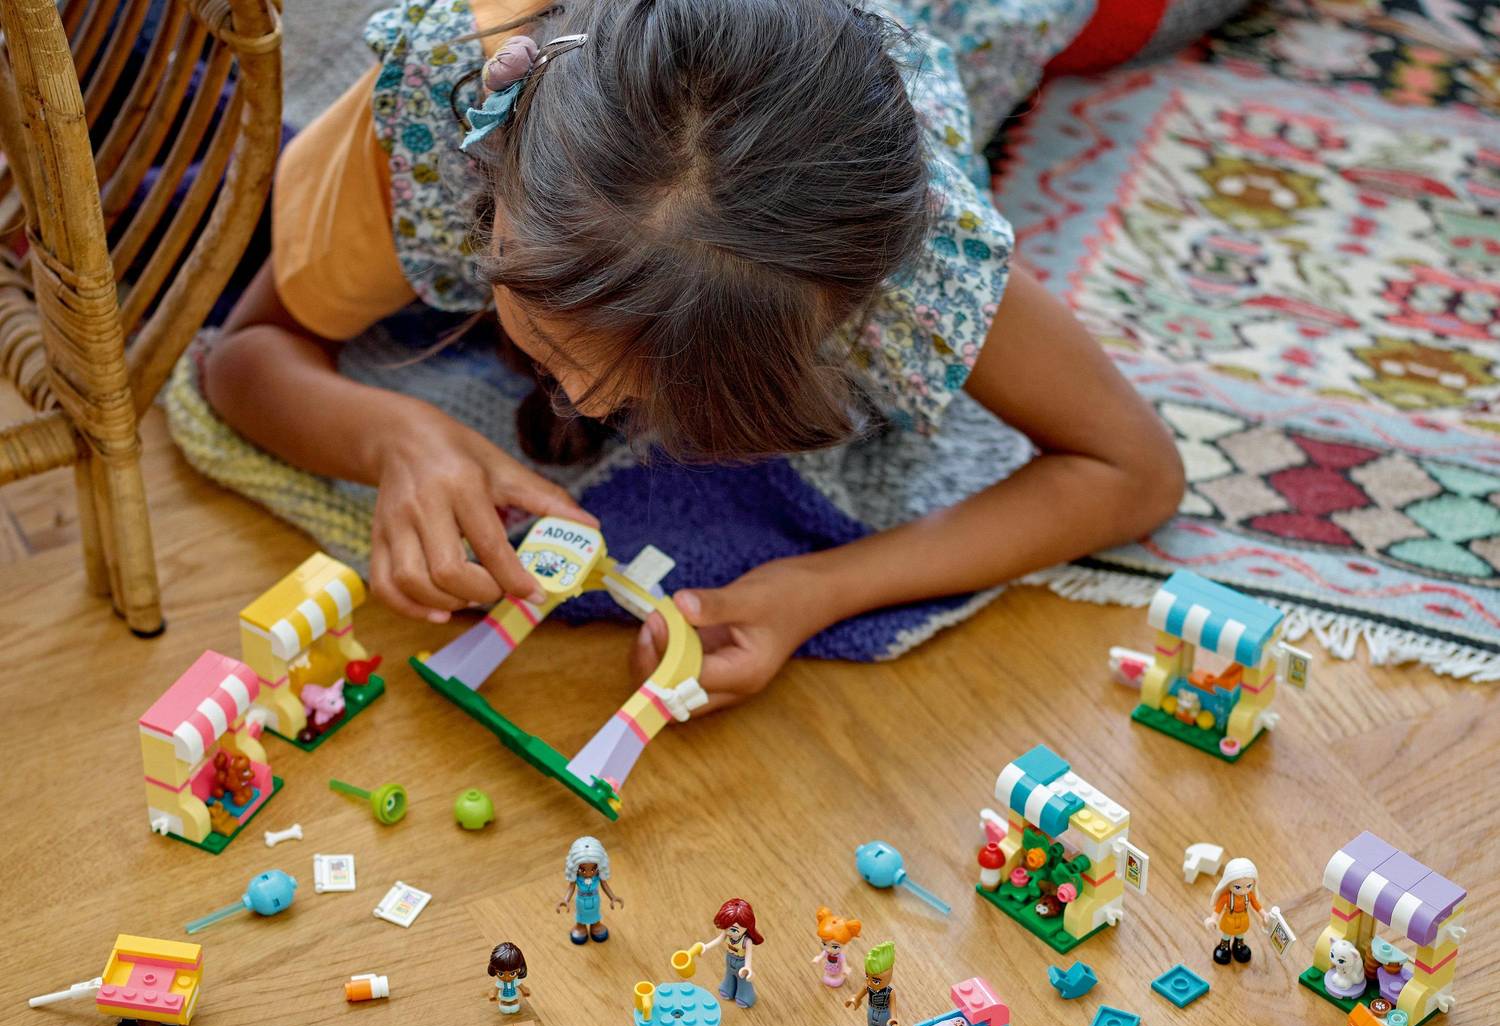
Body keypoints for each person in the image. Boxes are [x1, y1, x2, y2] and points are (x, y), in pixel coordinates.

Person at [203, 0, 1185, 711]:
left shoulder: (910, 252)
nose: (587, 402)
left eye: (656, 381)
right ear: (496, 177)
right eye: (548, 333)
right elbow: (245, 351)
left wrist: (824, 588)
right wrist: (396, 440)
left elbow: (1133, 471)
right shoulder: (449, 97)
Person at [557, 835, 621, 944]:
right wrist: (565, 900)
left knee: (595, 914)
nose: (588, 873)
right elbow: (571, 887)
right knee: (581, 915)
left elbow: (604, 885)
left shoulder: (598, 877)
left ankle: (596, 924)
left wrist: (613, 897)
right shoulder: (577, 878)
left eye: (593, 869)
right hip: (581, 900)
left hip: (595, 899)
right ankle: (580, 926)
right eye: (582, 869)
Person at [702, 898, 763, 1008]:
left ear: (747, 926)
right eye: (726, 927)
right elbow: (718, 940)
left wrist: (748, 967)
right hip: (729, 958)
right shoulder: (727, 934)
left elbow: (749, 955)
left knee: (743, 980)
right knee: (729, 974)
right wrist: (705, 947)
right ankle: (728, 988)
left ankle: (744, 995)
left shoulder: (746, 941)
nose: (729, 931)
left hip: (741, 963)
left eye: (734, 929)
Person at [811, 907, 862, 989]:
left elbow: (843, 963)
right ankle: (830, 976)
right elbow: (821, 955)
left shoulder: (840, 956)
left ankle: (836, 977)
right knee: (828, 973)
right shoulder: (826, 952)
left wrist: (845, 969)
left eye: (835, 946)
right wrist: (817, 958)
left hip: (837, 969)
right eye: (824, 944)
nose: (828, 949)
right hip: (828, 967)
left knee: (836, 973)